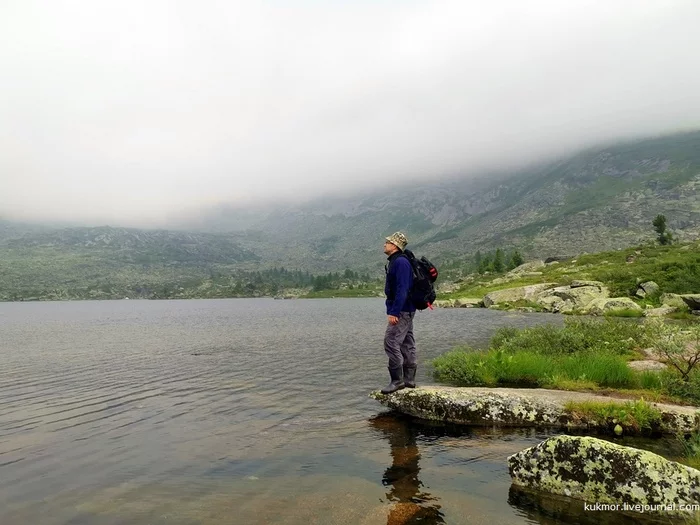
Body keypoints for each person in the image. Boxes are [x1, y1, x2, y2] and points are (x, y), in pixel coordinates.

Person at [381, 232, 418, 394]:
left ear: (395, 246)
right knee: (406, 342)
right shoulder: (397, 261)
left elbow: (402, 289)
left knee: (390, 341)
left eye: (387, 242)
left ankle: (397, 381)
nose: (384, 244)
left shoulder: (401, 263)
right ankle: (409, 380)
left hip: (402, 310)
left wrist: (394, 312)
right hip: (407, 309)